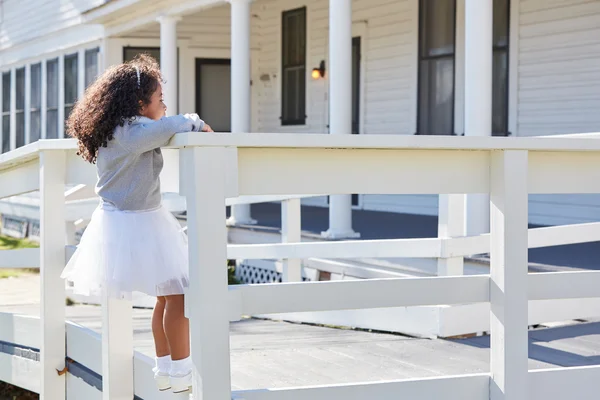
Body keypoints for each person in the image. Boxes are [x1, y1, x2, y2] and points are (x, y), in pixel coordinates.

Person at [61, 54, 212, 394]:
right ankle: (182, 371)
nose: (164, 105)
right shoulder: (132, 132)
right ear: (140, 102)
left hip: (133, 220)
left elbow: (160, 128)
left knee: (167, 297)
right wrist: (196, 122)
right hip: (137, 224)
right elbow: (170, 126)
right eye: (160, 99)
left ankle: (165, 370)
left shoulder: (119, 130)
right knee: (179, 296)